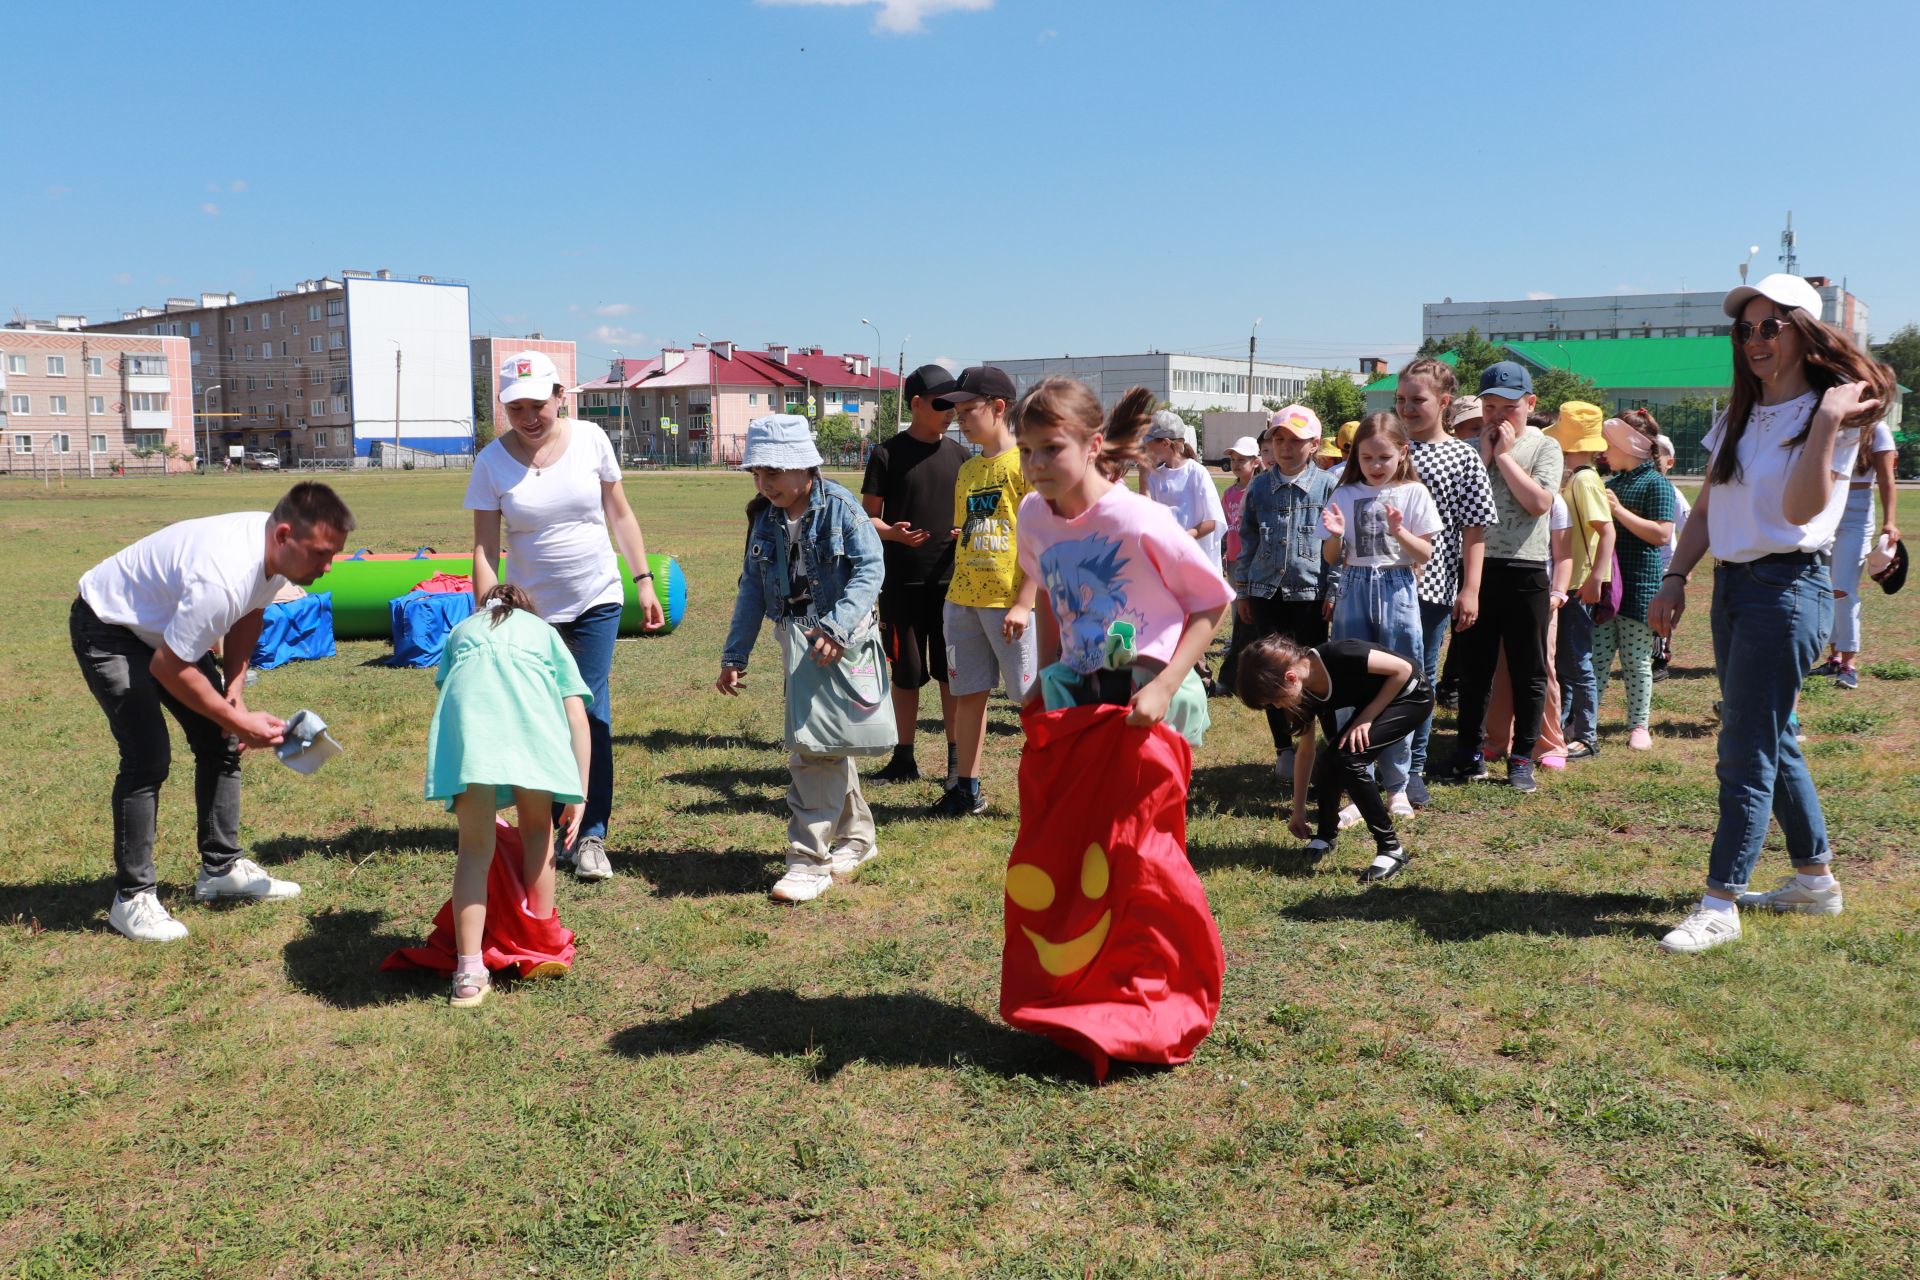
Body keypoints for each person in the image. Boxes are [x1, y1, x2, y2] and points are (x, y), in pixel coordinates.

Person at [1649, 273, 1893, 953]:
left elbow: (1800, 511)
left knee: (1746, 748)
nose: (1754, 340)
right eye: (1745, 328)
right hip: (1734, 589)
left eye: (1769, 327)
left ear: (1803, 332)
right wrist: (1675, 577)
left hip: (1788, 592)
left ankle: (1719, 902)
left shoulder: (1834, 412)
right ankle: (1814, 880)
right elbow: (1707, 507)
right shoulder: (1740, 414)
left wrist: (1823, 423)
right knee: (1770, 736)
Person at [71, 483, 352, 941]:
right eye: (321, 553)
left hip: (167, 630)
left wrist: (234, 693)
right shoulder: (224, 575)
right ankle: (132, 898)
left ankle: (221, 870)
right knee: (147, 757)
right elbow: (168, 666)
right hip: (109, 626)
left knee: (219, 739)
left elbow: (249, 615)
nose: (327, 565)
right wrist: (238, 721)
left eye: (334, 554)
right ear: (284, 534)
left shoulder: (275, 555)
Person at [468, 349, 664, 884]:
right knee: (541, 716)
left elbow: (619, 513)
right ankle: (549, 827)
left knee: (588, 709)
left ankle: (591, 834)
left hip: (596, 598)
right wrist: (488, 612)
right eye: (516, 408)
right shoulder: (491, 462)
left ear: (560, 397)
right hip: (527, 612)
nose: (529, 418)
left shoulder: (592, 440)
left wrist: (642, 579)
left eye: (539, 404)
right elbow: (485, 549)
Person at [1005, 380, 1232, 749]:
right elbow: (1047, 588)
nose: (1036, 464)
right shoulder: (1032, 514)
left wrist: (1165, 686)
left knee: (1139, 806)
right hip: (1080, 686)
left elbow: (1212, 601)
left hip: (1149, 697)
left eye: (1052, 448)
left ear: (1092, 445)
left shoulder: (1139, 520)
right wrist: (1044, 675)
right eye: (1026, 450)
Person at [719, 415, 885, 903]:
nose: (764, 482)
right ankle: (856, 838)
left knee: (813, 749)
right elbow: (751, 587)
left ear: (805, 468)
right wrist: (736, 652)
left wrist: (836, 627)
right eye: (757, 473)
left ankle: (807, 861)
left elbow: (871, 567)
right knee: (825, 741)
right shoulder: (765, 518)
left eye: (773, 471)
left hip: (840, 640)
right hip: (792, 638)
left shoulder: (840, 507)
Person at [425, 584, 591, 1007]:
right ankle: (540, 946)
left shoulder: (461, 630)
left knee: (475, 851)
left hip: (471, 744)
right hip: (533, 737)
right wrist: (580, 791)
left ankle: (468, 969)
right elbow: (576, 713)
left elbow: (450, 687)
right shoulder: (544, 632)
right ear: (528, 611)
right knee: (538, 832)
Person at [1439, 362, 1564, 793]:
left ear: (1530, 404)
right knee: (1474, 668)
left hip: (1526, 568)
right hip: (1476, 567)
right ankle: (1469, 753)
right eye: (1489, 406)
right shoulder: (1470, 448)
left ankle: (1522, 757)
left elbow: (1539, 503)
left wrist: (1506, 457)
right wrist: (1487, 454)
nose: (1497, 416)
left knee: (1529, 668)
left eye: (1508, 407)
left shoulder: (1544, 448)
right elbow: (1459, 504)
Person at [1318, 412, 1443, 817]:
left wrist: (1399, 531)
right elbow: (1332, 558)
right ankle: (1360, 785)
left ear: (1403, 453)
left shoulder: (1413, 494)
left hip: (1397, 590)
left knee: (1402, 680)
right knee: (1354, 684)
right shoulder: (1345, 493)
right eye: (1367, 457)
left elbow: (1423, 553)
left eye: (1384, 458)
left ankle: (1398, 786)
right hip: (1354, 587)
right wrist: (1336, 535)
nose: (1375, 466)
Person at [1236, 635, 1434, 883]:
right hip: (1377, 703)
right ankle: (1325, 835)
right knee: (1331, 759)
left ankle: (1391, 849)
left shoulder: (1341, 654)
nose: (1277, 707)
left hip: (1411, 694)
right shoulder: (1301, 693)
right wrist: (1298, 812)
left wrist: (1366, 718)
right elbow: (1306, 753)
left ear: (1291, 677)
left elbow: (1403, 670)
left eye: (1275, 700)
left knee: (1349, 759)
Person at [934, 365, 1035, 818]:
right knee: (967, 694)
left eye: (967, 409)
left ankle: (1049, 787)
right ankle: (966, 787)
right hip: (963, 600)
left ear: (998, 407)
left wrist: (1025, 601)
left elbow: (1040, 540)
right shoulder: (969, 468)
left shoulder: (1028, 464)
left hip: (1011, 604)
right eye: (955, 411)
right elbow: (968, 531)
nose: (959, 419)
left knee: (1030, 701)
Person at [1395, 359, 1496, 806]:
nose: (1408, 408)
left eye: (1417, 400)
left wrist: (1470, 589)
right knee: (1373, 675)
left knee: (1419, 678)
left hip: (1431, 587)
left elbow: (1475, 531)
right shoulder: (1387, 446)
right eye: (1401, 400)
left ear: (1444, 402)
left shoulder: (1462, 456)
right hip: (1376, 584)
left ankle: (1413, 767)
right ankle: (1374, 762)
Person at [863, 364, 969, 786]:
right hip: (900, 586)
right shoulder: (886, 454)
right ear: (916, 404)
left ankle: (957, 762)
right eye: (943, 404)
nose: (951, 412)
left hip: (952, 587)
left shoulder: (962, 457)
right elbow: (868, 517)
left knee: (951, 677)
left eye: (956, 404)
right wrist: (892, 533)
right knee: (905, 676)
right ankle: (903, 760)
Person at [1235, 405, 1341, 780]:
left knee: (1308, 670)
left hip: (1309, 594)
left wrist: (1333, 588)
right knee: (1270, 670)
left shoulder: (1328, 486)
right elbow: (1247, 537)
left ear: (1314, 444)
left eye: (1295, 441)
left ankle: (1315, 741)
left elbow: (1337, 544)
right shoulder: (1260, 486)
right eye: (1278, 439)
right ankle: (1284, 747)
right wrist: (1244, 590)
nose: (1285, 447)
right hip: (1266, 592)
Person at [1593, 410, 1677, 749]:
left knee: (1636, 661)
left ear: (1629, 444)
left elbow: (1661, 535)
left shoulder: (1657, 484)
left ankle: (1639, 726)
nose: (1603, 452)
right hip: (1608, 587)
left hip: (1640, 586)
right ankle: (1587, 720)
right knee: (1596, 658)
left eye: (1608, 444)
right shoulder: (1612, 483)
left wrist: (1619, 512)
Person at [1482, 491, 1572, 770]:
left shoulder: (1554, 501)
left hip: (1539, 597)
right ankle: (1497, 740)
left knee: (1541, 667)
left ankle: (1549, 742)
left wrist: (1557, 593)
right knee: (1498, 665)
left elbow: (1564, 554)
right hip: (1495, 590)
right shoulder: (1490, 490)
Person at [1548, 401, 1617, 762]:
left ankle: (1587, 737)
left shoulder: (1585, 479)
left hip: (1579, 583)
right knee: (1567, 661)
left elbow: (1606, 533)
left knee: (1578, 662)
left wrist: (1594, 580)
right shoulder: (1575, 477)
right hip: (1571, 581)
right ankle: (1565, 728)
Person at [1817, 416, 1901, 688]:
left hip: (1857, 512)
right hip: (1825, 507)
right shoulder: (1828, 422)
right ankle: (1834, 659)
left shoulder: (1878, 430)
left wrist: (1889, 522)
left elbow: (1887, 479)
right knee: (1826, 587)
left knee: (1843, 588)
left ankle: (1849, 665)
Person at [1143, 411, 1228, 575]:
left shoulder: (1196, 472)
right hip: (1168, 563)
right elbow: (1145, 518)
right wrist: (1143, 480)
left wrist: (1183, 538)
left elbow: (1212, 521)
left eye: (1148, 442)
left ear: (1166, 443)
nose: (1144, 448)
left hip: (1197, 564)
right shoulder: (1154, 476)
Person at [1216, 435, 1261, 690]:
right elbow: (1226, 526)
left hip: (1254, 561)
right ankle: (1237, 648)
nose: (1235, 464)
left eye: (1241, 460)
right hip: (1234, 560)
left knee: (1252, 611)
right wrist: (1224, 552)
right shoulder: (1230, 492)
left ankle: (1251, 656)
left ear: (1255, 462)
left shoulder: (1258, 489)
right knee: (1237, 609)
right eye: (1232, 459)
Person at [1650, 435, 1690, 680]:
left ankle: (1660, 658)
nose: (1652, 460)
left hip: (1666, 565)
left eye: (1658, 456)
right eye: (1648, 454)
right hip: (1639, 562)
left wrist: (1682, 568)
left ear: (1670, 462)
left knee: (1661, 614)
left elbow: (1689, 525)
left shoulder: (1672, 493)